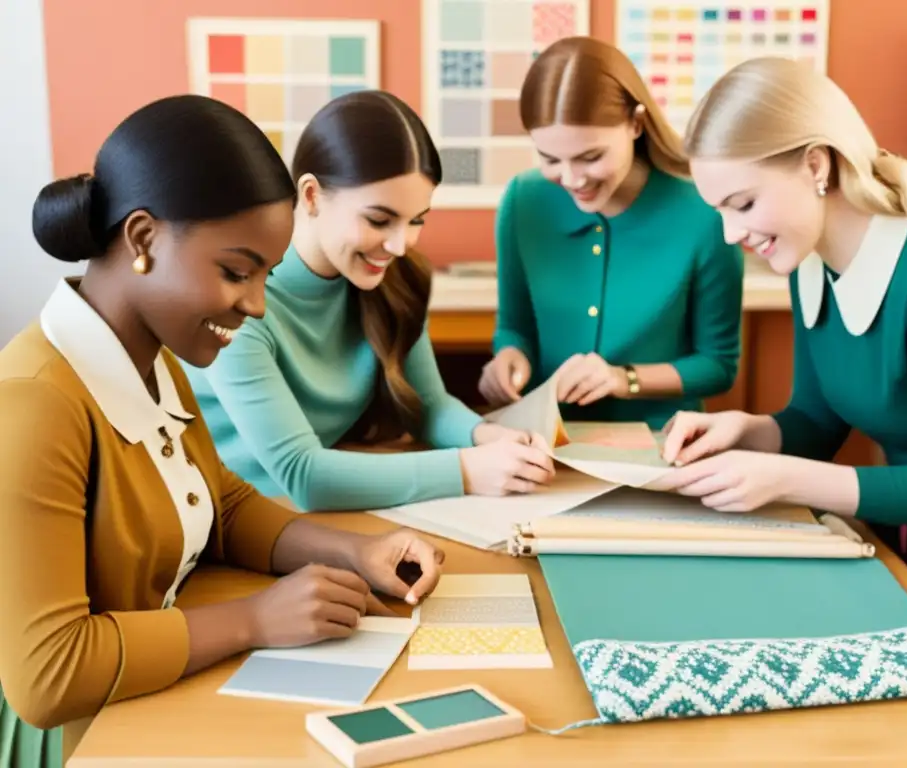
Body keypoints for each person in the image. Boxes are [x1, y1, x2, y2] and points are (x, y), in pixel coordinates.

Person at [0, 95, 447, 759]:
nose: (258, 304)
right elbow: (48, 674)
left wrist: (355, 552)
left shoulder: (154, 358)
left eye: (265, 275)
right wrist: (253, 620)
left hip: (156, 697)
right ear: (144, 239)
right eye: (236, 272)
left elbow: (220, 504)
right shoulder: (36, 405)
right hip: (78, 738)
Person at [652, 57, 907, 680]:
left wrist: (781, 478)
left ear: (816, 165)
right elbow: (816, 421)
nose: (729, 233)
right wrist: (749, 431)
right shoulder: (810, 264)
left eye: (742, 203)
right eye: (719, 209)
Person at [184, 90, 554, 513]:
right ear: (310, 196)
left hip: (319, 518)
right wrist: (469, 470)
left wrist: (486, 436)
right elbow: (303, 474)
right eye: (379, 220)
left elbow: (427, 406)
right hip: (229, 522)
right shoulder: (238, 301)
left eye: (416, 220)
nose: (401, 244)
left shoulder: (394, 279)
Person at [477, 36, 745, 431]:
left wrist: (623, 379)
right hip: (544, 439)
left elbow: (717, 365)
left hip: (658, 440)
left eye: (591, 157)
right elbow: (514, 326)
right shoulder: (523, 200)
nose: (571, 179)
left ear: (636, 124)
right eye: (550, 159)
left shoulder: (704, 213)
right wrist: (508, 357)